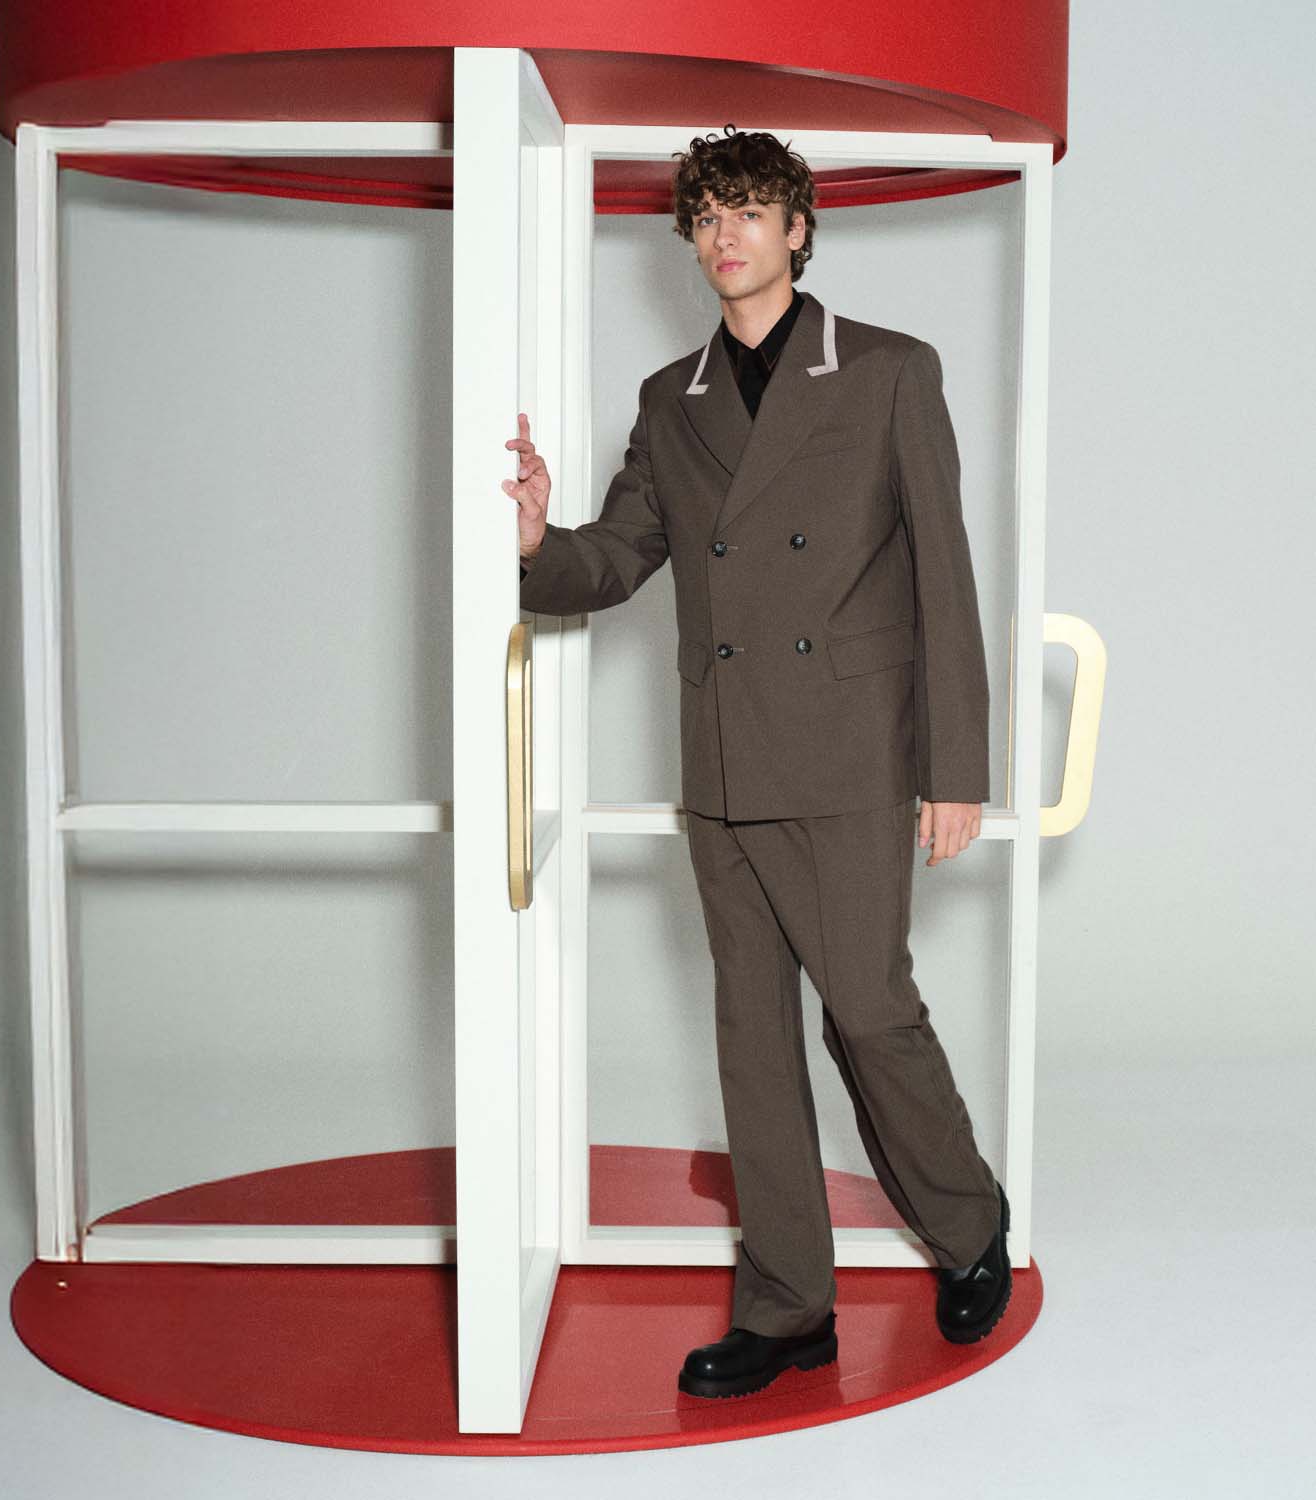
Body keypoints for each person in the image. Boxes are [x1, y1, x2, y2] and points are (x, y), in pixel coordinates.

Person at [504, 125, 1010, 1400]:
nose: (726, 237)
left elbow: (944, 582)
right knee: (750, 1040)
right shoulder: (669, 401)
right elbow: (614, 560)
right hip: (724, 761)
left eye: (751, 213)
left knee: (871, 1010)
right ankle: (788, 1306)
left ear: (797, 229)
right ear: (690, 239)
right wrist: (531, 540)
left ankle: (967, 1226)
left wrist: (956, 767)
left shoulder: (892, 371)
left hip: (848, 757)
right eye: (706, 217)